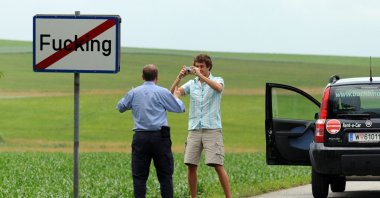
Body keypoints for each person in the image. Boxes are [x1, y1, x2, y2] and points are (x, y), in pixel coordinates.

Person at [116, 64, 185, 198]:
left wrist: (130, 96)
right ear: (157, 77)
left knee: (139, 177)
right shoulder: (163, 92)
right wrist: (176, 97)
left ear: (142, 77)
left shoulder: (134, 92)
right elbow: (179, 108)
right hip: (160, 137)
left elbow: (120, 107)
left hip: (140, 137)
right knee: (165, 176)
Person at [170, 54, 231, 198]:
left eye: (202, 66)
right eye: (196, 66)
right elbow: (173, 93)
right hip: (194, 128)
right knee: (191, 165)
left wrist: (201, 76)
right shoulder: (192, 84)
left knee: (217, 164)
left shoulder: (217, 79)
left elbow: (218, 88)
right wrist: (179, 78)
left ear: (208, 67)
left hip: (212, 128)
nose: (199, 69)